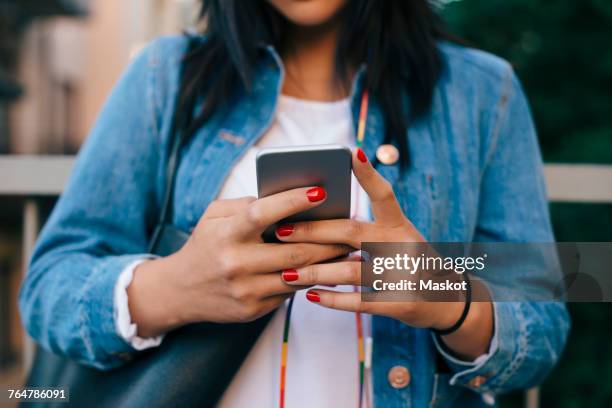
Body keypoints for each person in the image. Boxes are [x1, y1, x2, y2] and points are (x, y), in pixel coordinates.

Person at [19, 0, 569, 407]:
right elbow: (48, 287)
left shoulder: (482, 91)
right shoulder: (166, 74)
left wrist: (448, 295)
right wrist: (173, 287)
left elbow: (543, 316)